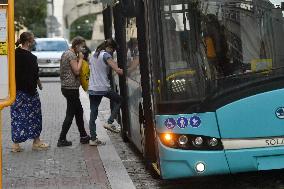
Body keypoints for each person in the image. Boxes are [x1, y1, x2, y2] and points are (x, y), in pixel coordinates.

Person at [10, 31, 49, 152]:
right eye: (33, 40)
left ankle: (16, 145)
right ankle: (36, 142)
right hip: (30, 92)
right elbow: (35, 75)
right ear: (28, 42)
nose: (34, 42)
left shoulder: (13, 54)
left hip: (16, 92)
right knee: (35, 116)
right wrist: (40, 86)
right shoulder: (32, 58)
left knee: (17, 116)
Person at [88, 39, 123, 145]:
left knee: (93, 113)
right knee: (120, 100)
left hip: (92, 87)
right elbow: (118, 70)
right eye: (112, 50)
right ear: (110, 48)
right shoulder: (106, 55)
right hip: (102, 88)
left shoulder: (94, 54)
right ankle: (110, 122)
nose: (112, 52)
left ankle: (93, 139)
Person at [57, 36, 90, 147]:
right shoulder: (71, 55)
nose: (82, 49)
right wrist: (80, 59)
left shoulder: (67, 53)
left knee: (79, 111)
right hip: (70, 88)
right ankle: (61, 139)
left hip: (69, 88)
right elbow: (76, 71)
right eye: (82, 46)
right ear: (76, 46)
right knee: (70, 114)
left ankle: (83, 136)